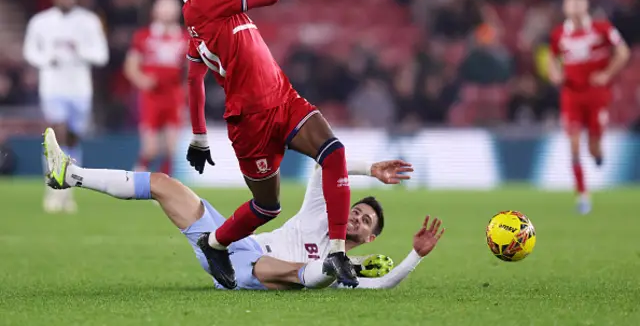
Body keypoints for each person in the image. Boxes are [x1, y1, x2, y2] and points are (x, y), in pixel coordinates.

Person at [161, 0, 359, 288]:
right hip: (251, 120)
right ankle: (215, 243)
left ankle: (338, 251)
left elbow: (194, 78)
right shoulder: (203, 4)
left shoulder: (201, 19)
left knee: (334, 152)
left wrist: (200, 137)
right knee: (267, 207)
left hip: (284, 99)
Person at [42, 127, 444, 290]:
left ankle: (330, 268)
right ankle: (69, 175)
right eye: (357, 209)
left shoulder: (341, 272)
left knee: (302, 274)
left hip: (257, 273)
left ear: (370, 238)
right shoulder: (319, 214)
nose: (356, 216)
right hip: (229, 250)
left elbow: (381, 285)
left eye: (365, 220)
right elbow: (327, 163)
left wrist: (414, 257)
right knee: (164, 185)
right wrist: (370, 170)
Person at [23, 0, 109, 214]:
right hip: (53, 86)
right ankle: (54, 188)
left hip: (80, 88)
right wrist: (46, 59)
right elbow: (30, 51)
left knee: (72, 139)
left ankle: (68, 187)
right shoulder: (40, 21)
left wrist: (80, 50)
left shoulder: (89, 21)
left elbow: (102, 55)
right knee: (56, 135)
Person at [547, 0, 630, 214]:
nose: (574, 6)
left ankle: (598, 154)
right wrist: (554, 73)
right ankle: (583, 195)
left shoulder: (602, 28)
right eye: (570, 2)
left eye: (578, 2)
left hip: (596, 93)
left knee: (593, 148)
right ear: (564, 7)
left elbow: (623, 51)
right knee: (573, 145)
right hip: (571, 94)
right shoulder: (558, 34)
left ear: (585, 5)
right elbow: (551, 57)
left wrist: (607, 74)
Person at [124, 0, 190, 175]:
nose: (168, 11)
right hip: (151, 96)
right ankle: (138, 174)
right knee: (151, 148)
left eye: (171, 7)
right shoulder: (143, 36)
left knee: (171, 148)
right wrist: (142, 80)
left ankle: (163, 185)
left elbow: (192, 69)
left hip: (174, 95)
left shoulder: (185, 38)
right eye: (164, 7)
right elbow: (131, 66)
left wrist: (187, 90)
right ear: (155, 11)